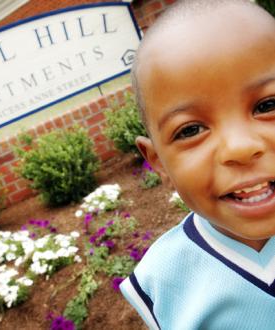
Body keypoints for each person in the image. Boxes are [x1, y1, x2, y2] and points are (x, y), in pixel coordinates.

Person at [119, 0, 275, 329]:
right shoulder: (163, 282)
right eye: (190, 130)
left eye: (267, 105)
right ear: (158, 162)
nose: (240, 148)